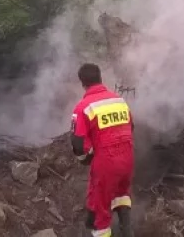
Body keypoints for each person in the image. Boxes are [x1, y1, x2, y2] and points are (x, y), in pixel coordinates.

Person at [70, 63, 134, 237]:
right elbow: (131, 127)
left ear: (82, 83)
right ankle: (128, 232)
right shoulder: (119, 100)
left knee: (101, 215)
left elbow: (78, 144)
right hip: (127, 159)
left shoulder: (83, 107)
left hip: (106, 162)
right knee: (122, 194)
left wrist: (87, 159)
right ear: (100, 78)